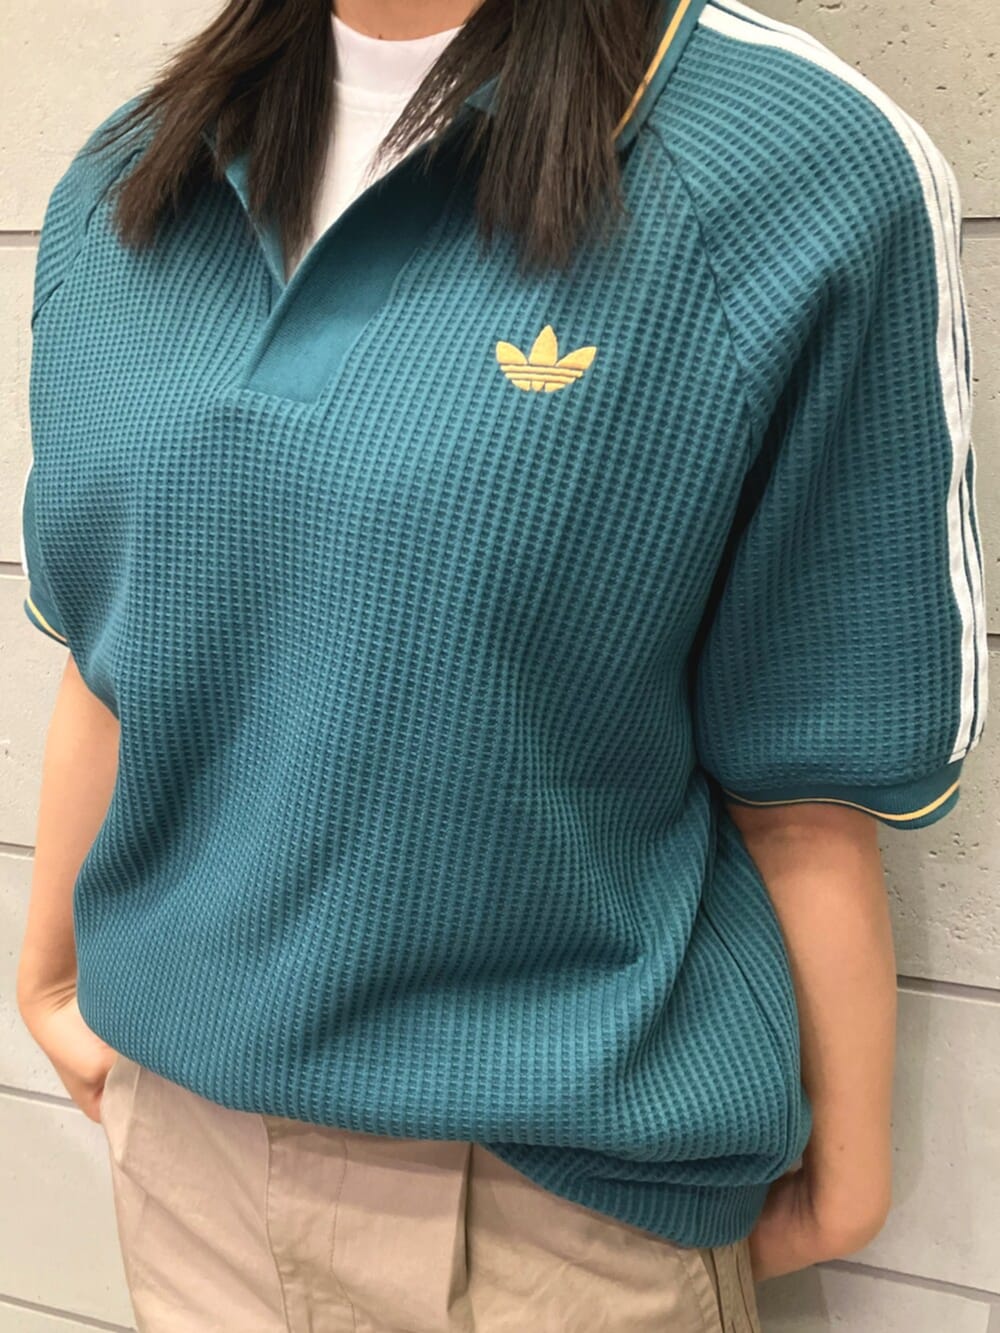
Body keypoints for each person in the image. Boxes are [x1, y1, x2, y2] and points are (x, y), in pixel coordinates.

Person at [15, 0, 987, 1329]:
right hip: (187, 1167)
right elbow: (111, 651)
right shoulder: (125, 180)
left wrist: (851, 1170)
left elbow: (808, 757)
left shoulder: (789, 164)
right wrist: (50, 976)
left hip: (557, 1208)